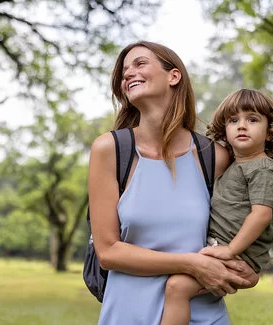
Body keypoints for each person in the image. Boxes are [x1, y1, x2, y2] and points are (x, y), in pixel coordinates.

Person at [89, 41, 259, 325]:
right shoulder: (110, 150)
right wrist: (191, 263)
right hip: (130, 314)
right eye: (124, 71)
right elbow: (107, 251)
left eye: (139, 63)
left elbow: (251, 215)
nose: (128, 73)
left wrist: (254, 267)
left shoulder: (214, 156)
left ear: (174, 76)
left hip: (203, 315)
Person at [161, 88, 273, 325]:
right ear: (225, 130)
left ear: (269, 132)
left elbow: (261, 215)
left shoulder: (262, 169)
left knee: (176, 287)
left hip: (237, 258)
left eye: (252, 119)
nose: (242, 126)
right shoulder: (231, 166)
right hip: (220, 249)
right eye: (234, 120)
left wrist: (230, 251)